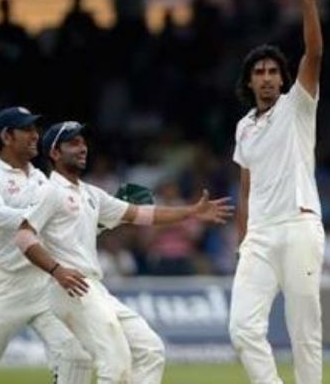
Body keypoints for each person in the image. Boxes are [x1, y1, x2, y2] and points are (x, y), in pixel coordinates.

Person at [13, 121, 233, 383]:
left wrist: (190, 211)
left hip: (94, 287)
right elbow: (24, 236)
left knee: (151, 349)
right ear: (55, 153)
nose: (82, 147)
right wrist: (57, 270)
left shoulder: (91, 194)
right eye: (73, 143)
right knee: (115, 365)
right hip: (70, 288)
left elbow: (141, 214)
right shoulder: (49, 192)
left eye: (82, 141)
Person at [0, 107, 91, 384]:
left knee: (76, 356)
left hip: (43, 283)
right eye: (27, 130)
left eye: (36, 129)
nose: (36, 135)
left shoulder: (40, 178)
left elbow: (60, 221)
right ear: (7, 136)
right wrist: (38, 216)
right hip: (4, 286)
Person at [228, 0, 324, 384]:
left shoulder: (297, 108)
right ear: (249, 82)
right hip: (261, 237)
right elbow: (246, 188)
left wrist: (307, 4)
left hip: (300, 226)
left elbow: (315, 53)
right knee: (241, 329)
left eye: (272, 72)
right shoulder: (244, 127)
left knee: (304, 331)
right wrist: (242, 239)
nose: (266, 79)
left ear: (283, 80)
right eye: (258, 73)